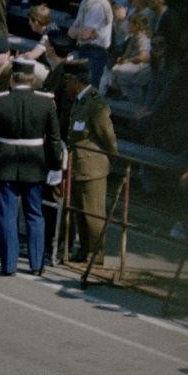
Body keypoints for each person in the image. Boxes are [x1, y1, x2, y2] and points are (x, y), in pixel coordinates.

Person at [0, 58, 64, 275]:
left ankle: (8, 265)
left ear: (13, 78)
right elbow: (54, 139)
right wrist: (55, 167)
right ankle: (36, 264)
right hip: (35, 165)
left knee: (7, 215)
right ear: (33, 79)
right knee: (35, 214)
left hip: (5, 164)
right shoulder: (46, 103)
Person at [60, 59, 118, 265]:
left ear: (76, 81)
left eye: (67, 82)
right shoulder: (80, 101)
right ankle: (84, 249)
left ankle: (96, 253)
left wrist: (108, 160)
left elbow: (108, 137)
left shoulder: (95, 103)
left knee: (92, 213)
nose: (65, 86)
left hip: (92, 167)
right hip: (78, 166)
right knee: (79, 211)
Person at [67, 0, 113, 88]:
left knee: (89, 89)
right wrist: (78, 32)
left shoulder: (98, 5)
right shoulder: (86, 0)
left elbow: (85, 34)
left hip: (96, 52)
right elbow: (73, 30)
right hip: (85, 48)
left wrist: (78, 32)